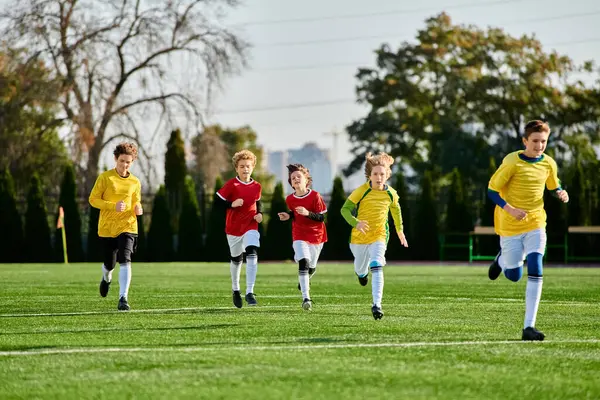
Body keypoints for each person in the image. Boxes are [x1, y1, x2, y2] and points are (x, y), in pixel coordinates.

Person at [487, 120, 569, 341]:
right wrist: (510, 209)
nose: (539, 145)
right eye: (535, 141)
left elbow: (554, 184)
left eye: (543, 141)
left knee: (535, 263)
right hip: (510, 224)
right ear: (525, 141)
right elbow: (492, 191)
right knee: (514, 275)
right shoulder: (512, 161)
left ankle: (528, 328)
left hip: (535, 222)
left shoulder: (549, 163)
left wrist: (561, 192)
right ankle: (501, 261)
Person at [340, 152, 408, 320]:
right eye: (375, 174)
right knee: (360, 269)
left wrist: (400, 231)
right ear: (369, 175)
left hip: (379, 235)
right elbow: (344, 210)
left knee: (377, 264)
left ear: (387, 175)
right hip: (358, 238)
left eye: (382, 174)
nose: (379, 177)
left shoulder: (391, 193)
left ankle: (377, 305)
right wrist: (356, 223)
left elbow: (396, 210)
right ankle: (362, 276)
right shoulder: (361, 191)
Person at [89, 142, 143, 311]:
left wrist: (138, 208)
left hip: (128, 225)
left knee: (125, 259)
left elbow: (136, 201)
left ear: (132, 162)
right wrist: (112, 206)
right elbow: (93, 200)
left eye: (128, 162)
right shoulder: (105, 178)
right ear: (115, 159)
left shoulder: (135, 181)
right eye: (122, 161)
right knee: (109, 264)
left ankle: (123, 298)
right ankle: (106, 278)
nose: (124, 165)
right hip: (107, 227)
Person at [215, 149, 263, 308]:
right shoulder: (231, 185)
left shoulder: (257, 186)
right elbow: (217, 203)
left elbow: (258, 203)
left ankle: (250, 291)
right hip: (234, 228)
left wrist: (260, 214)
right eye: (242, 166)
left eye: (248, 166)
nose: (245, 169)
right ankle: (236, 289)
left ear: (253, 167)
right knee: (236, 259)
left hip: (251, 225)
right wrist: (231, 204)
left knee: (252, 251)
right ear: (236, 168)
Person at [278, 164, 328, 311]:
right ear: (291, 183)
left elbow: (321, 217)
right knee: (303, 263)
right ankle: (306, 298)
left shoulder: (315, 196)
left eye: (299, 176)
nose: (296, 179)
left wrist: (307, 213)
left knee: (310, 267)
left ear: (307, 179)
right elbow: (294, 212)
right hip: (299, 235)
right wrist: (289, 215)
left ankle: (307, 276)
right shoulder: (290, 199)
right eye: (293, 178)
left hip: (317, 236)